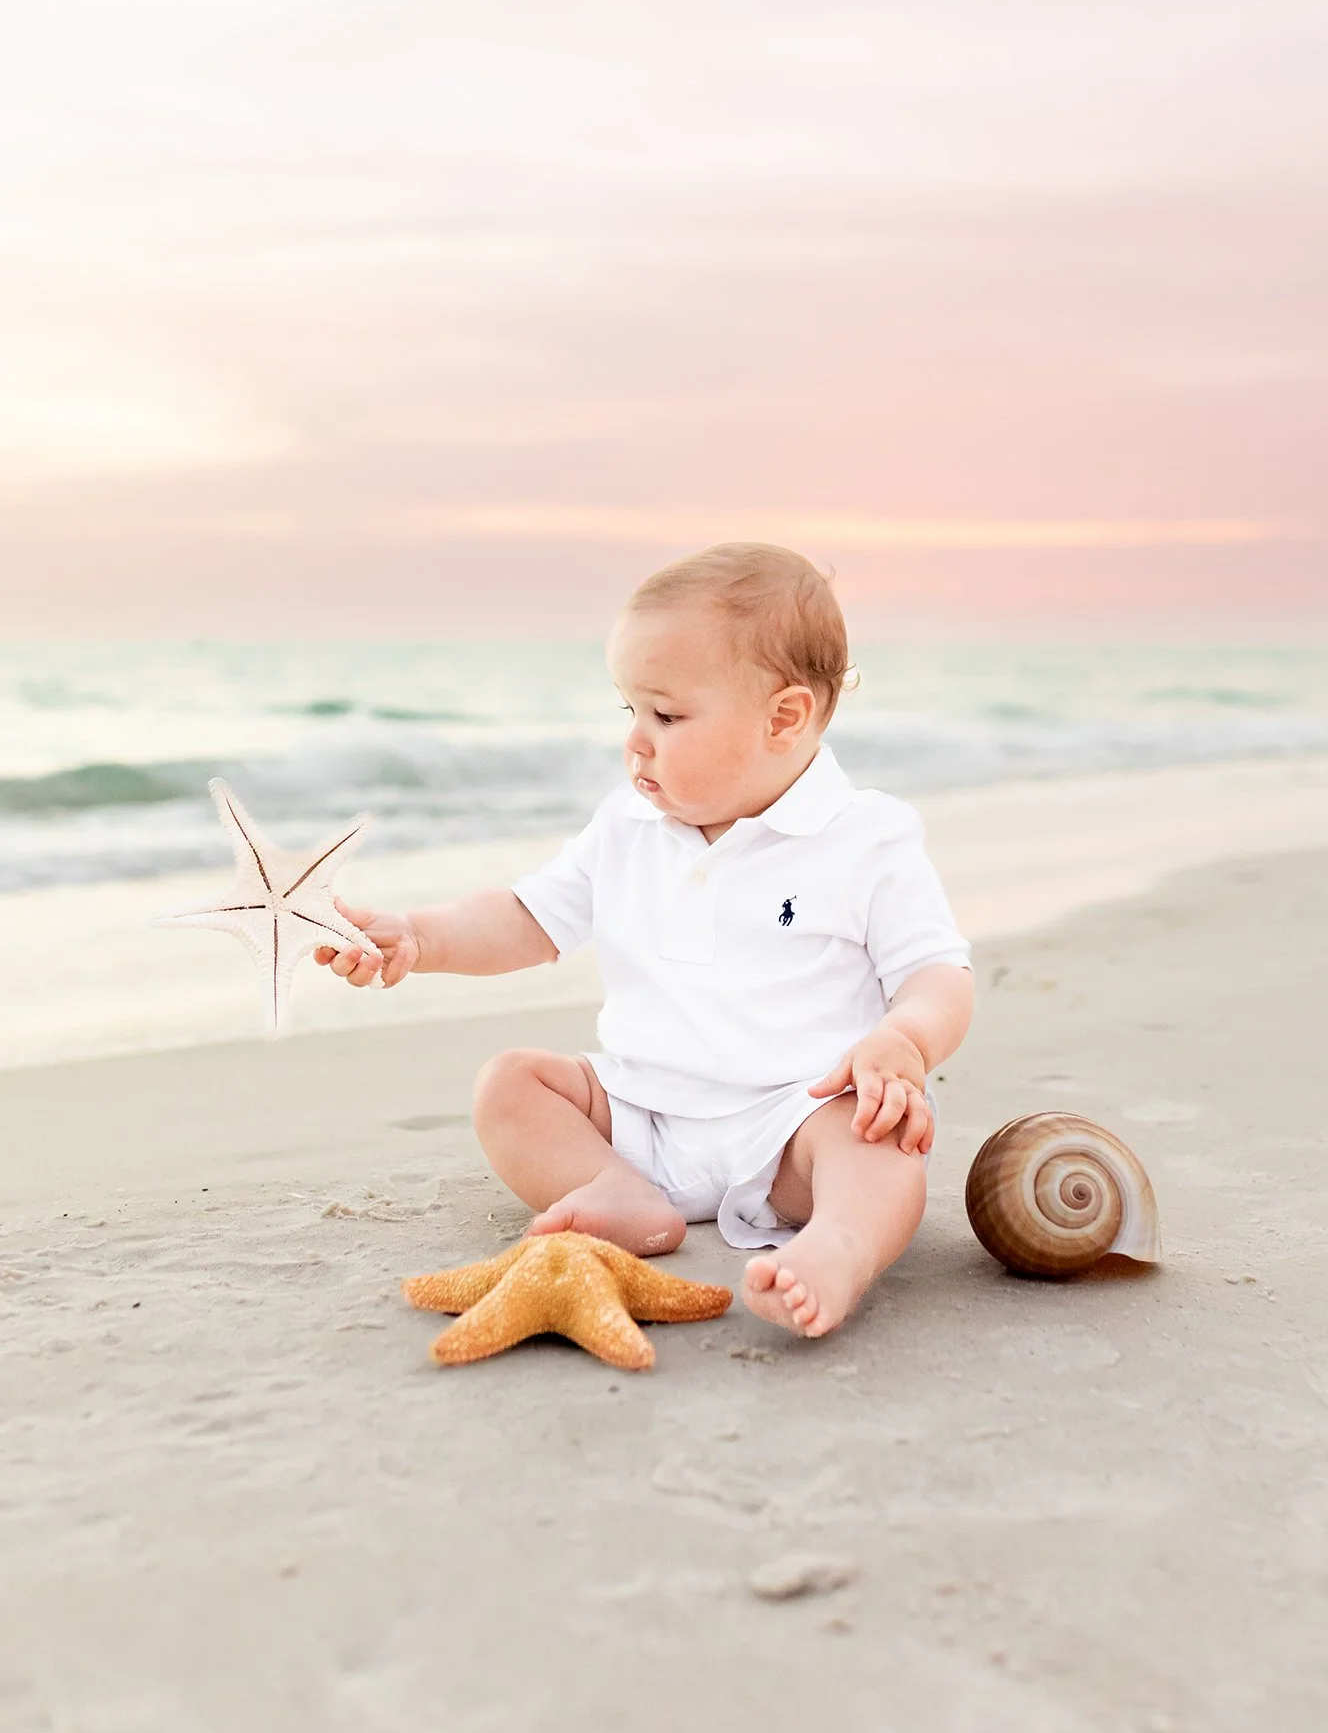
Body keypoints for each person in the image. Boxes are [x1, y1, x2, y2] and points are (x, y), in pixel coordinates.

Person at [316, 544, 973, 1337]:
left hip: (793, 1123)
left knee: (884, 1144)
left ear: (784, 718)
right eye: (629, 711)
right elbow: (528, 918)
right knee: (511, 1085)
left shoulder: (865, 837)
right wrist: (420, 935)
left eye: (666, 715)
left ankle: (837, 1248)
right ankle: (620, 1192)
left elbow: (937, 973)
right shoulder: (627, 826)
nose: (636, 741)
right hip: (642, 1114)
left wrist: (903, 1041)